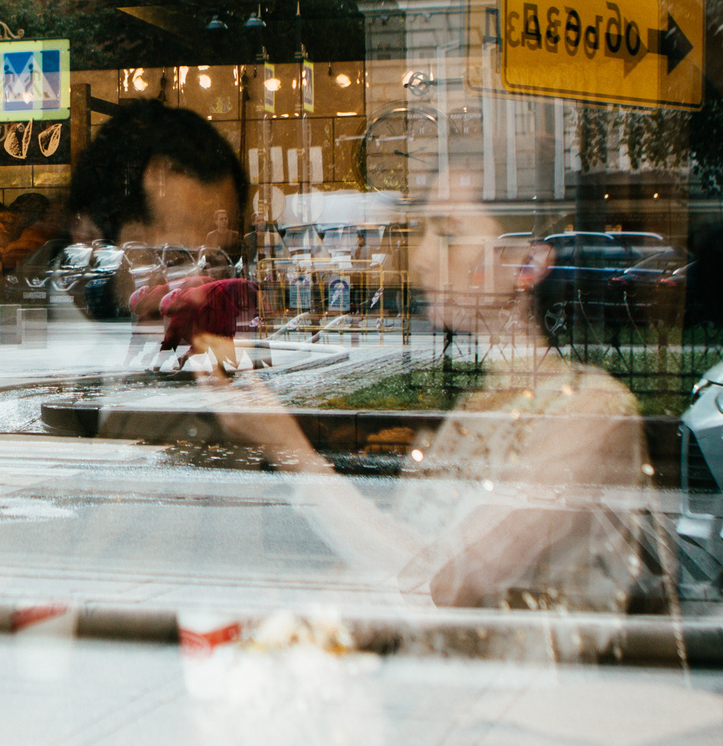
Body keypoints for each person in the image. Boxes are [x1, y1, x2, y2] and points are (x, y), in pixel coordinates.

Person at [212, 170, 660, 660]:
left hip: (521, 723)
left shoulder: (591, 412)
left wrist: (290, 451)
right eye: (421, 234)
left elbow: (438, 586)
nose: (422, 260)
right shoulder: (474, 407)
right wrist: (296, 622)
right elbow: (395, 564)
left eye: (447, 234)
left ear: (527, 263)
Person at [62, 100, 256, 363]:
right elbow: (167, 340)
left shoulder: (187, 299)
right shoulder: (158, 301)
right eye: (171, 228)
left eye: (207, 227)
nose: (198, 268)